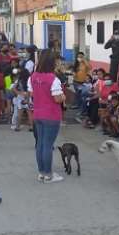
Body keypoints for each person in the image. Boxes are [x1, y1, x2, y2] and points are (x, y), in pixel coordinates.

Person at [29, 50, 66, 183]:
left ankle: (41, 172)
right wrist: (63, 96)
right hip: (51, 115)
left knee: (40, 144)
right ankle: (49, 174)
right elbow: (57, 99)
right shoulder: (53, 79)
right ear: (52, 62)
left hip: (38, 114)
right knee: (48, 145)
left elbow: (31, 93)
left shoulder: (33, 76)